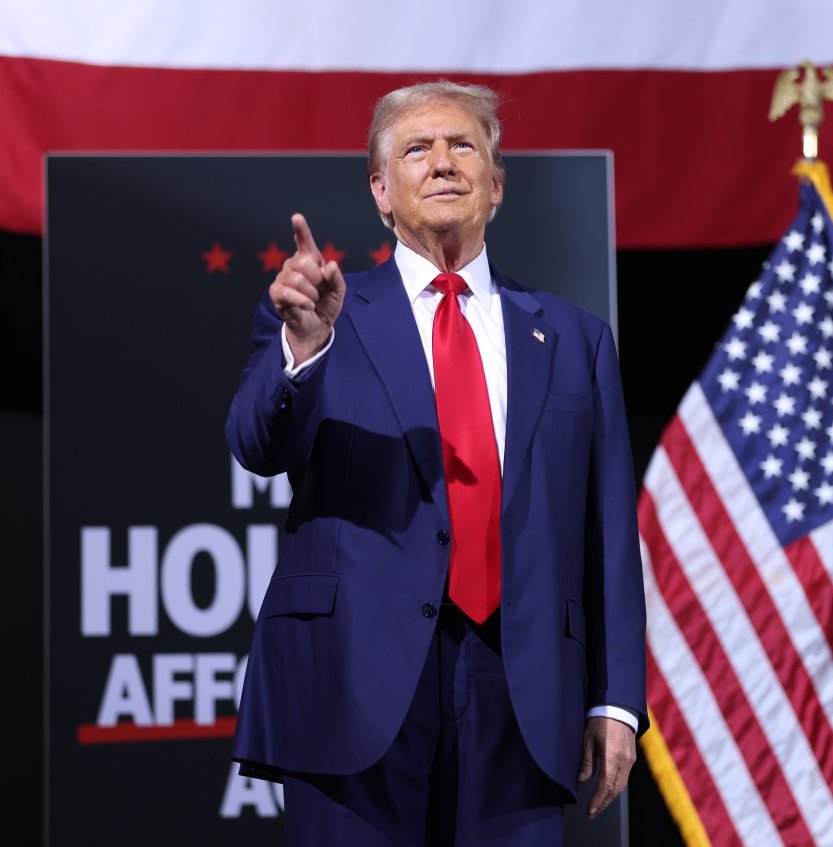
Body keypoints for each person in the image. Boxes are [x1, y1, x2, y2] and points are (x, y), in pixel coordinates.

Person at [226, 81, 647, 846]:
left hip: (520, 689)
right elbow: (258, 444)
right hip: (352, 679)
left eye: (464, 146)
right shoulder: (326, 312)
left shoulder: (577, 339)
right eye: (418, 148)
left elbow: (609, 530)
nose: (444, 162)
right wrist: (306, 348)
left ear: (497, 184)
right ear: (382, 191)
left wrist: (615, 699)